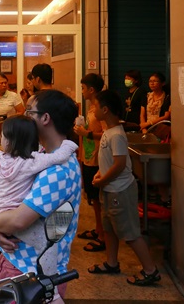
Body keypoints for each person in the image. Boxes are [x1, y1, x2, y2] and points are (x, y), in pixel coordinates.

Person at [0, 90, 82, 303]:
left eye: (29, 111)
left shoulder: (58, 171)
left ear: (45, 118)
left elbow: (18, 221)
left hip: (31, 273)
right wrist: (1, 227)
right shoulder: (45, 156)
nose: (24, 116)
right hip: (18, 262)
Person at [87, 89, 161, 286]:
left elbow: (119, 165)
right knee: (109, 229)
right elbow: (110, 161)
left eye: (96, 106)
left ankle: (150, 270)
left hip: (120, 190)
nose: (93, 109)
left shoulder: (117, 135)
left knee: (130, 233)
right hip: (109, 189)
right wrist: (100, 174)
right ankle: (111, 263)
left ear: (105, 109)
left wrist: (102, 180)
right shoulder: (108, 131)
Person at [0, 114, 77, 216]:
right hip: (15, 213)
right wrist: (69, 144)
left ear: (7, 142)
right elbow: (59, 156)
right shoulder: (31, 161)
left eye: (2, 135)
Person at [73, 73, 107, 252]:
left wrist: (87, 134)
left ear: (92, 89)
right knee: (93, 199)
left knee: (98, 199)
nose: (82, 91)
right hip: (88, 156)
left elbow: (107, 133)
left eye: (83, 88)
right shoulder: (92, 108)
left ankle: (103, 237)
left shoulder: (101, 109)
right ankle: (98, 229)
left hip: (97, 159)